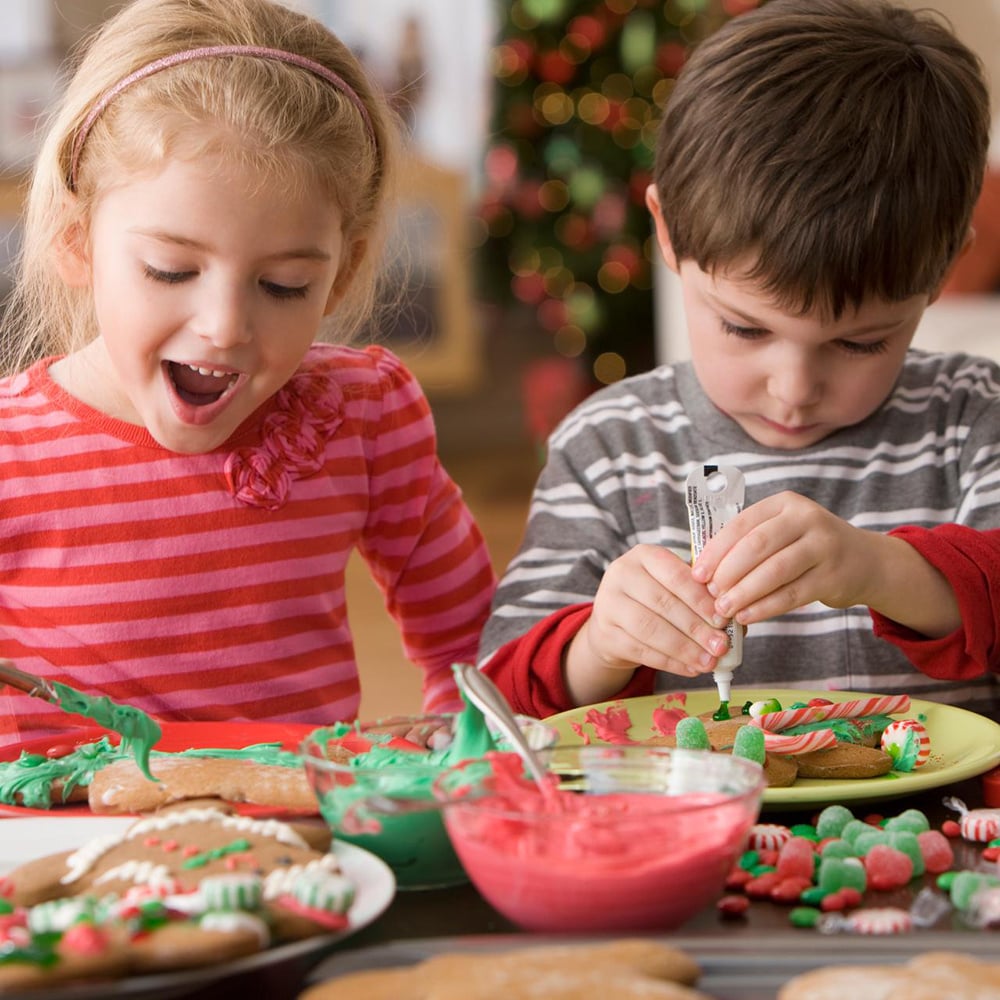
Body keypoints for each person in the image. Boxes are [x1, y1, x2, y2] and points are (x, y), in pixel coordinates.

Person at [478, 0, 1000, 720]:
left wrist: (882, 570)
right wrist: (600, 643)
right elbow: (495, 701)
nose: (793, 390)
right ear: (668, 235)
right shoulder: (610, 449)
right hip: (678, 832)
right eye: (744, 329)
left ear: (942, 273)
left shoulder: (977, 423)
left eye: (859, 341)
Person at [0, 0, 496, 748]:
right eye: (171, 270)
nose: (225, 326)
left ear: (340, 274)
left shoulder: (364, 417)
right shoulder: (11, 449)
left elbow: (476, 651)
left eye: (284, 284)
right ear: (78, 243)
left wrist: (445, 759)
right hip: (60, 853)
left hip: (300, 848)